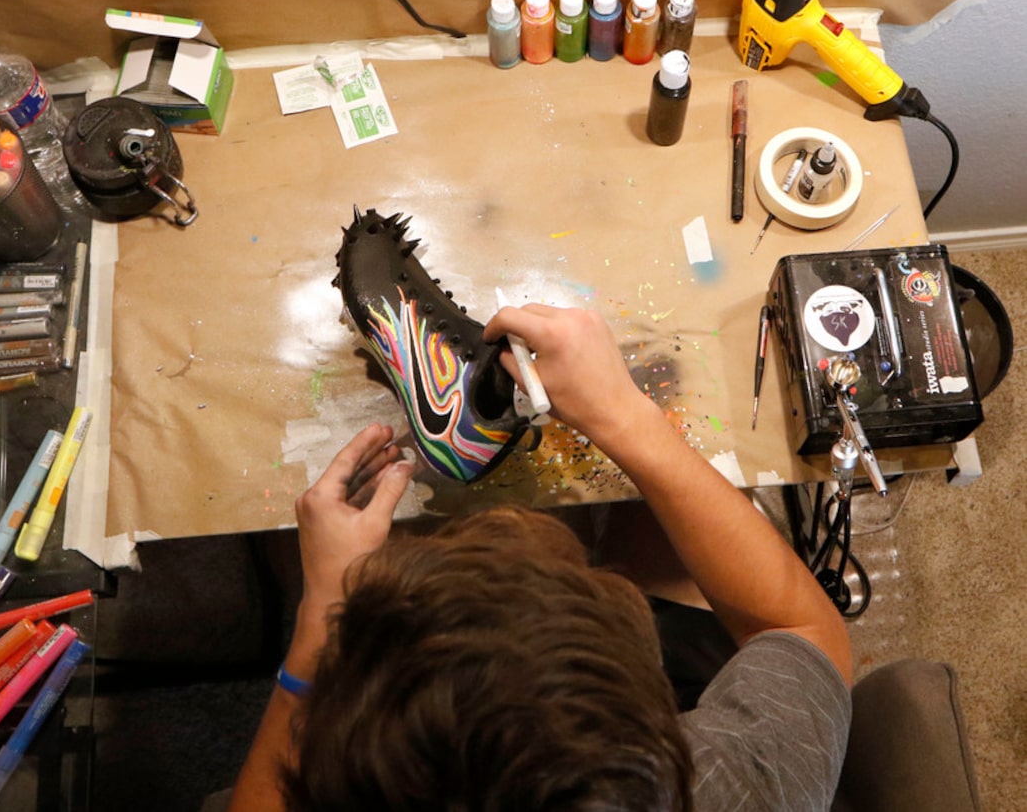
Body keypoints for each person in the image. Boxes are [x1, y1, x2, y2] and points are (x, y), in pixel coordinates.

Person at [228, 304, 853, 811]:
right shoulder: (733, 789)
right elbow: (806, 633)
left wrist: (320, 622)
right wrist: (626, 416)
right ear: (656, 727)